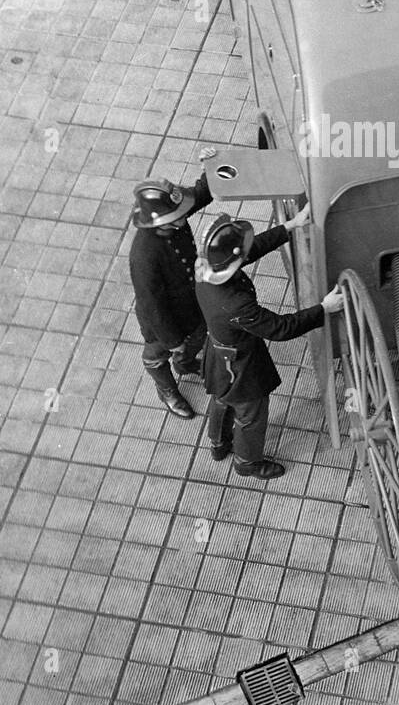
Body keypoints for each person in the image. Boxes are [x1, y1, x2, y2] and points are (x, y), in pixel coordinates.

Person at [195, 205, 344, 480]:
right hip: (240, 367)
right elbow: (280, 328)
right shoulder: (236, 305)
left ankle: (218, 444)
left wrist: (289, 226)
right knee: (251, 415)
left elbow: (247, 252)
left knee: (220, 400)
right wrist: (323, 308)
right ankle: (247, 462)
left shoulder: (205, 266)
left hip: (218, 354)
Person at [129, 175, 213, 418]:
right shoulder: (144, 256)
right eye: (177, 217)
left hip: (191, 304)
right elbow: (152, 305)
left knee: (196, 338)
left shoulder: (173, 212)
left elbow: (200, 194)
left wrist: (209, 165)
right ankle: (167, 391)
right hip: (164, 323)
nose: (184, 218)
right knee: (156, 357)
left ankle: (185, 364)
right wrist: (172, 340)